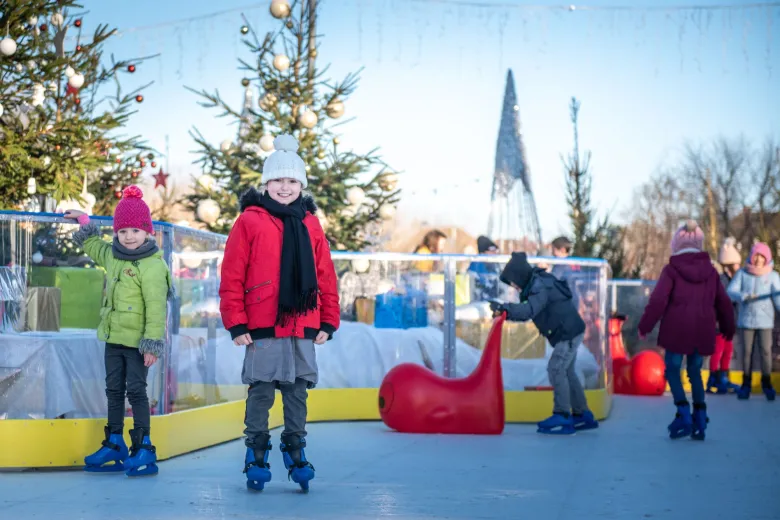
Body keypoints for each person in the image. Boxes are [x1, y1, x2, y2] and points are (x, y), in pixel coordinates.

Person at [219, 134, 340, 492]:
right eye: (277, 180)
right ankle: (256, 451)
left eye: (291, 181)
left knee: (297, 391)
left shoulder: (311, 224)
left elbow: (325, 274)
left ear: (300, 185)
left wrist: (329, 319)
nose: (284, 187)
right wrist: (236, 321)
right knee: (261, 391)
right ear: (266, 183)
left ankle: (295, 448)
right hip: (261, 323)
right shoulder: (250, 221)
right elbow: (232, 273)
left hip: (303, 322)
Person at [65, 186, 172, 476]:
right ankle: (114, 443)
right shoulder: (113, 255)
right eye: (123, 231)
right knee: (113, 390)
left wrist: (152, 344)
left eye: (135, 230)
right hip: (113, 339)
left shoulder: (152, 265)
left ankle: (144, 447)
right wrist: (86, 223)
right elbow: (94, 247)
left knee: (136, 392)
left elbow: (156, 307)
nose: (128, 236)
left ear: (147, 232)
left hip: (138, 344)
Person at [637, 220, 735, 441]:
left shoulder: (671, 270)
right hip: (702, 329)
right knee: (694, 372)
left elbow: (658, 301)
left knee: (672, 370)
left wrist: (645, 326)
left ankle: (683, 412)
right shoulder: (710, 272)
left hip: (676, 330)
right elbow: (723, 302)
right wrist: (729, 327)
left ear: (676, 244)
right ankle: (699, 415)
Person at [489, 252, 598, 435]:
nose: (514, 287)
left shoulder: (539, 286)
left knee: (556, 368)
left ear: (519, 276)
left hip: (567, 332)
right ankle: (582, 413)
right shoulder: (538, 281)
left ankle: (563, 415)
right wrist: (506, 310)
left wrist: (505, 308)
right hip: (570, 330)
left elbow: (529, 310)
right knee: (567, 371)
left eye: (513, 282)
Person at [726, 241, 780, 401]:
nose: (758, 260)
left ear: (766, 258)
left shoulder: (773, 276)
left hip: (765, 321)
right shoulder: (743, 273)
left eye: (762, 257)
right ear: (751, 257)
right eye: (756, 256)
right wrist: (743, 296)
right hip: (747, 321)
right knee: (747, 353)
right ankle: (746, 384)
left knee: (765, 352)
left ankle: (767, 383)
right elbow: (731, 291)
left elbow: (778, 297)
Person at [706, 237, 742, 394]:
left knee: (728, 350)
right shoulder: (721, 279)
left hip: (728, 322)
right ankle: (713, 377)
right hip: (719, 322)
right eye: (736, 264)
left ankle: (723, 376)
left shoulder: (732, 278)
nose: (738, 267)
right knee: (719, 350)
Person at [467, 236, 502, 301]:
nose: (494, 252)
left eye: (496, 250)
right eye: (492, 250)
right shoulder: (476, 265)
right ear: (482, 252)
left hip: (493, 301)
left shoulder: (495, 264)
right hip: (478, 303)